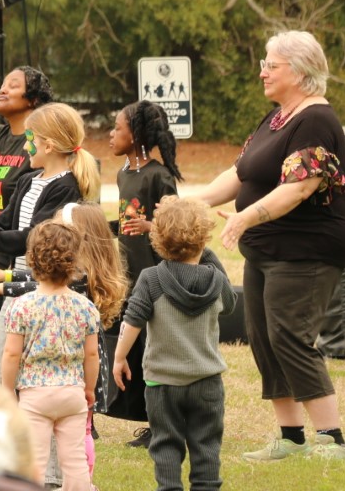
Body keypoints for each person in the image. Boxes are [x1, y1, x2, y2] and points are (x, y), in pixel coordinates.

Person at [194, 30, 345, 462]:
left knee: (290, 333)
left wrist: (246, 217)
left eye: (271, 64)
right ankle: (290, 437)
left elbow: (300, 188)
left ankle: (332, 439)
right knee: (263, 336)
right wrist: (191, 202)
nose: (262, 71)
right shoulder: (277, 117)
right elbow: (240, 173)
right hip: (267, 250)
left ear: (301, 73)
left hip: (308, 248)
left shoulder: (316, 119)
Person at [0, 102, 100, 383]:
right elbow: (4, 221)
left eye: (30, 139)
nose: (25, 147)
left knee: (11, 371)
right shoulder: (29, 181)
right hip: (18, 286)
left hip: (39, 289)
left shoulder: (66, 187)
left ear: (49, 146)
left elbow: (31, 240)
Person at [112, 196, 237, 491]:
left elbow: (132, 320)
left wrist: (119, 358)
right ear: (203, 238)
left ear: (157, 238)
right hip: (206, 381)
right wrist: (206, 253)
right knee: (206, 446)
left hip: (162, 383)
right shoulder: (216, 281)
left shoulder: (151, 279)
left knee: (165, 443)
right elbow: (230, 304)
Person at [105, 100, 184, 448]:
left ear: (135, 135)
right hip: (130, 280)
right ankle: (152, 421)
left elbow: (178, 228)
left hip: (158, 280)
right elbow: (126, 225)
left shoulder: (159, 176)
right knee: (138, 353)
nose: (110, 134)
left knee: (157, 353)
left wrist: (152, 225)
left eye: (117, 128)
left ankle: (167, 424)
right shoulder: (124, 173)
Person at [1, 220, 100, 489]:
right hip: (72, 392)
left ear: (32, 259)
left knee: (35, 461)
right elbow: (92, 355)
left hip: (34, 394)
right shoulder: (85, 306)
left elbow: (11, 354)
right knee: (75, 461)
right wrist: (89, 389)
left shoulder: (22, 307)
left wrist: (8, 390)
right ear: (74, 261)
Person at [0, 67, 55, 348]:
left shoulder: (40, 147)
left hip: (27, 256)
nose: (2, 89)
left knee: (23, 342)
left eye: (13, 84)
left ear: (33, 99)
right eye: (2, 82)